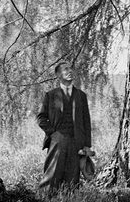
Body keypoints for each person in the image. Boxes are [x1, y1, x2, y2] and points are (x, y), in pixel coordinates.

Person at [35, 60, 93, 192]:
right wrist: (53, 133)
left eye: (71, 69)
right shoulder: (51, 95)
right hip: (57, 140)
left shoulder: (81, 95)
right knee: (52, 174)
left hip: (76, 141)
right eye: (66, 69)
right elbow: (40, 118)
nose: (70, 71)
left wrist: (87, 145)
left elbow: (86, 121)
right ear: (58, 75)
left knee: (73, 177)